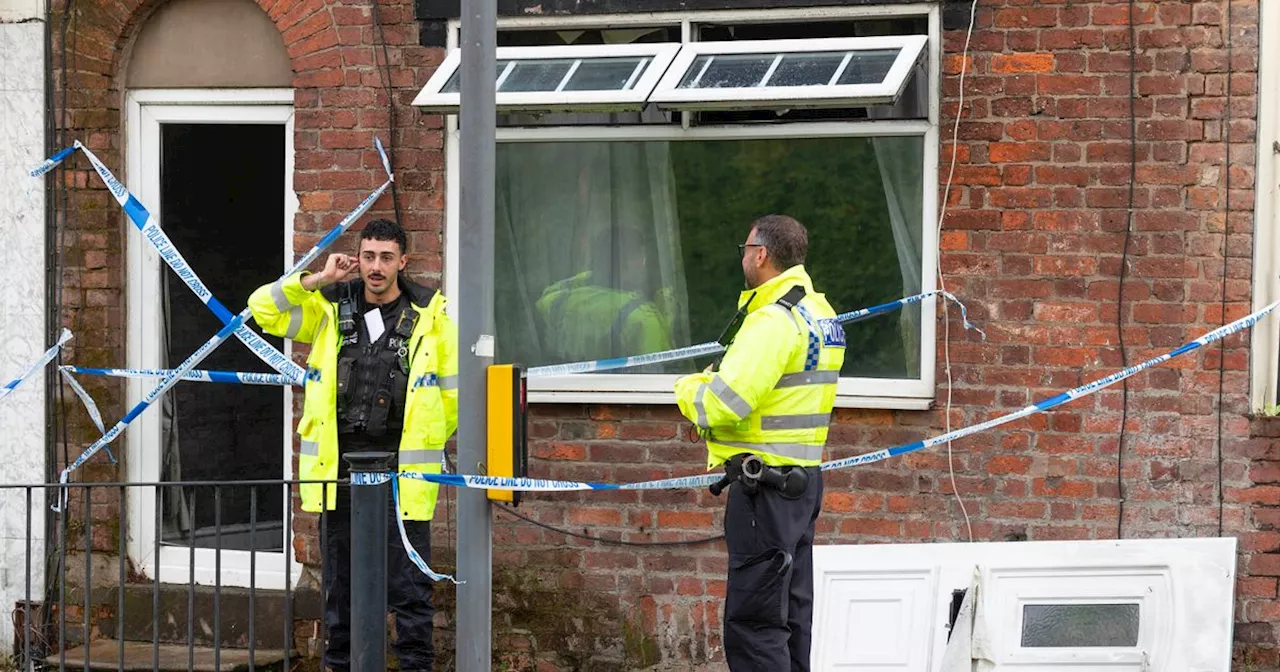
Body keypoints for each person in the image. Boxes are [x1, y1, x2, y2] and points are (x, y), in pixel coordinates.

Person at [248, 218, 457, 672]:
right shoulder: (329, 310)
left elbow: (450, 399)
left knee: (411, 589)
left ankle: (415, 667)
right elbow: (263, 309)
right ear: (357, 258)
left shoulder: (431, 320)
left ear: (403, 261)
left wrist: (423, 443)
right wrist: (319, 279)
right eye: (368, 256)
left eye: (386, 257)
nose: (375, 267)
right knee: (339, 588)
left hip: (404, 475)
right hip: (338, 472)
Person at [673, 215, 845, 672]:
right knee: (790, 614)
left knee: (754, 621)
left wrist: (688, 389)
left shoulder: (772, 320)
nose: (744, 256)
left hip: (765, 488)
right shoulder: (819, 312)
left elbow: (727, 402)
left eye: (745, 248)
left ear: (761, 254)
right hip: (802, 483)